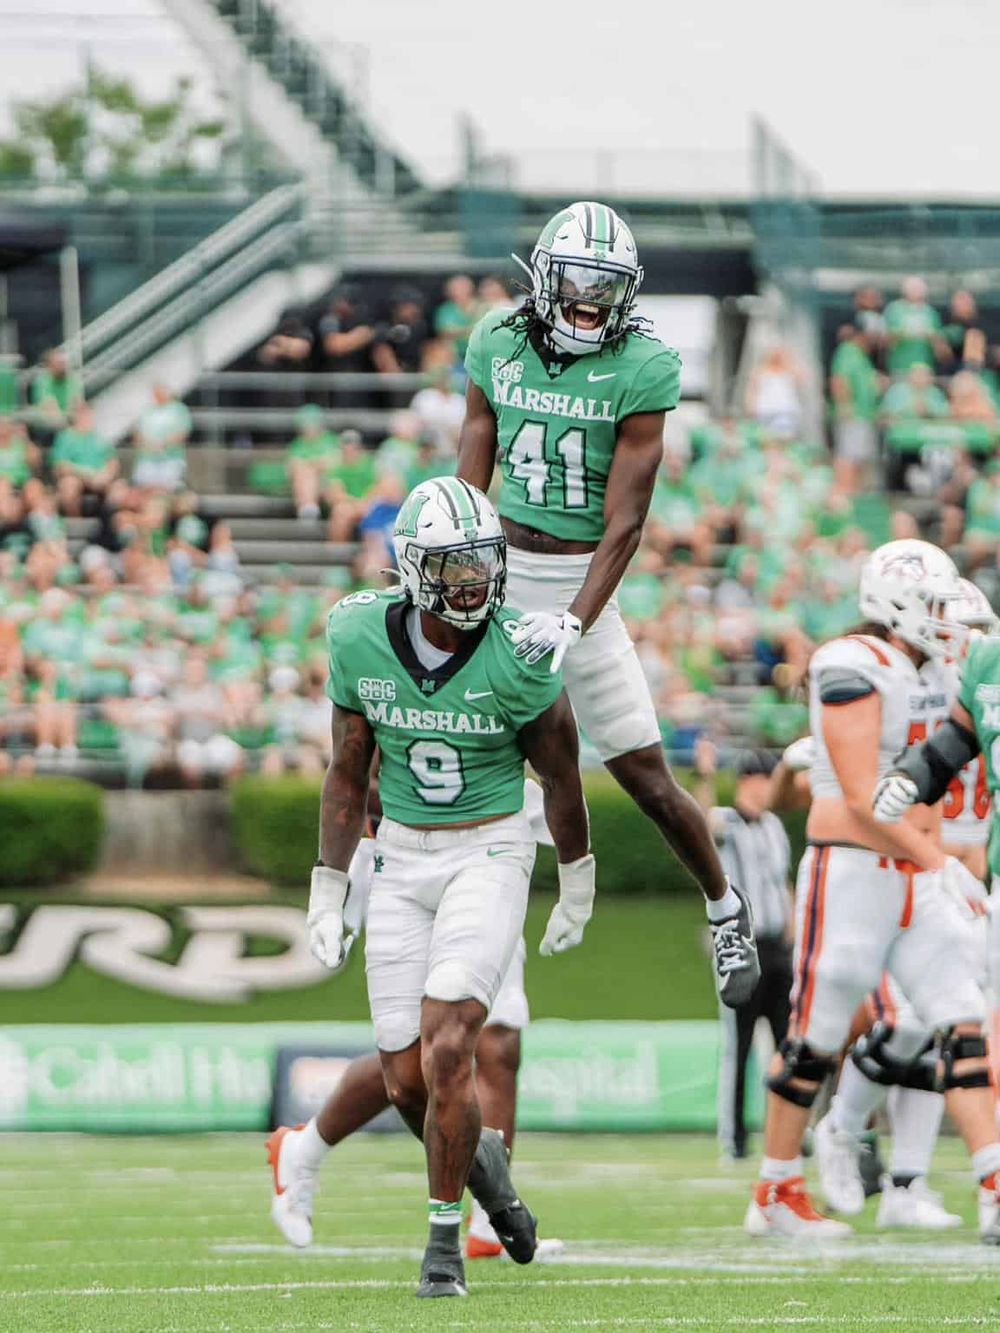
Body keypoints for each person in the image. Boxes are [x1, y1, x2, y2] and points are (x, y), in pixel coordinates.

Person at [275, 477, 595, 1298]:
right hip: (399, 859)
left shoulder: (519, 649)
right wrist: (326, 886)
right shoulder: (356, 634)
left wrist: (577, 877)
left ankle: (444, 1242)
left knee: (453, 1033)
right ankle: (491, 1181)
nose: (475, 583)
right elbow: (347, 772)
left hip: (489, 849)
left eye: (484, 564)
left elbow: (562, 777)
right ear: (413, 569)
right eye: (455, 568)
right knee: (407, 1077)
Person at [456, 200, 760, 1004]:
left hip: (581, 582)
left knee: (646, 776)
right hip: (495, 575)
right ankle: (381, 880)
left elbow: (626, 520)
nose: (591, 297)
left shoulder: (646, 365)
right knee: (436, 733)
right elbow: (469, 475)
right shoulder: (496, 338)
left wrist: (577, 617)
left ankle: (726, 907)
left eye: (608, 284)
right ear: (545, 279)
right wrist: (453, 566)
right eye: (580, 279)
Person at [746, 538, 1000, 1241]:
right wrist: (940, 858)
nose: (947, 619)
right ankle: (774, 1187)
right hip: (853, 869)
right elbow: (862, 799)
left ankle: (994, 1182)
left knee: (960, 1015)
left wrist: (939, 859)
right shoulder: (852, 664)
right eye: (935, 605)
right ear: (896, 605)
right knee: (817, 1036)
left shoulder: (945, 668)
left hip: (919, 871)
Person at [267, 778, 558, 1260]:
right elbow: (362, 775)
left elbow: (555, 782)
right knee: (415, 1061)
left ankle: (487, 1225)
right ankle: (305, 1148)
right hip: (405, 863)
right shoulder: (391, 710)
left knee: (499, 1042)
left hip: (486, 867)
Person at [694, 742, 793, 1162]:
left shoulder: (774, 826)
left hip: (779, 948)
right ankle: (733, 1139)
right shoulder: (729, 822)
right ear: (748, 782)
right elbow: (698, 825)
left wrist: (794, 928)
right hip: (745, 948)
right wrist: (705, 777)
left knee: (790, 1046)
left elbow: (780, 882)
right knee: (740, 1048)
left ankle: (790, 1133)